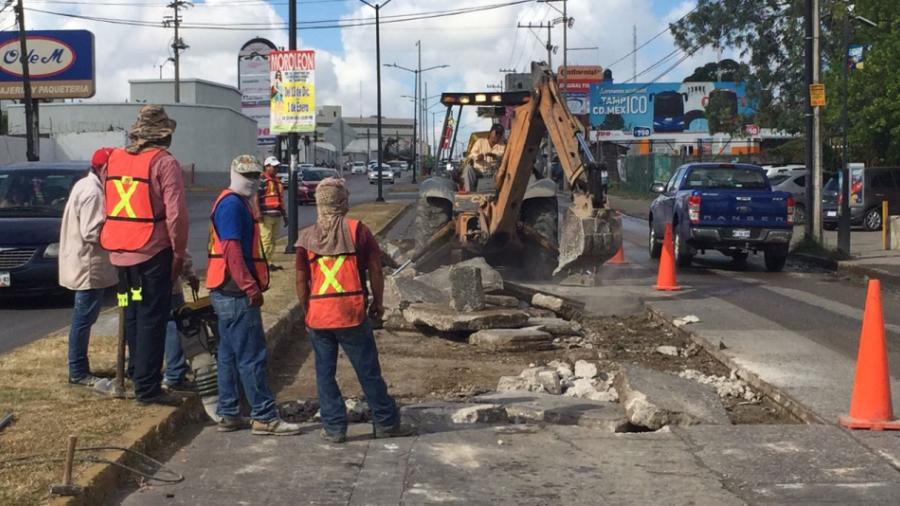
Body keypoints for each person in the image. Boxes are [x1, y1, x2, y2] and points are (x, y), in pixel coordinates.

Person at [295, 178, 414, 443]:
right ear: (342, 203)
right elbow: (374, 269)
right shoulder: (357, 230)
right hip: (350, 313)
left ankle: (335, 429)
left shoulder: (306, 237)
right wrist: (378, 303)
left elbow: (301, 281)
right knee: (368, 370)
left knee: (325, 375)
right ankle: (385, 422)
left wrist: (307, 311)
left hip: (319, 317)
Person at [100, 105, 188, 407]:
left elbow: (107, 202)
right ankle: (148, 388)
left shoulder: (113, 160)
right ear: (164, 136)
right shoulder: (164, 163)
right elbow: (175, 215)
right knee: (153, 316)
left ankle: (137, 373)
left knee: (132, 312)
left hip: (120, 255)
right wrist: (179, 253)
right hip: (152, 253)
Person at [207, 154, 301, 435]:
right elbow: (232, 251)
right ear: (235, 175)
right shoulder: (232, 206)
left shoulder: (233, 201)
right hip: (235, 291)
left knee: (229, 354)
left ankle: (229, 412)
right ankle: (264, 416)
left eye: (256, 176)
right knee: (251, 355)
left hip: (225, 289)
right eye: (248, 176)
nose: (253, 181)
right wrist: (249, 287)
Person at [59, 148, 118, 387]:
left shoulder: (86, 185)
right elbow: (92, 231)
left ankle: (78, 368)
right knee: (83, 318)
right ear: (103, 169)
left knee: (85, 317)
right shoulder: (93, 192)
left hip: (86, 262)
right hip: (89, 264)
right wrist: (118, 234)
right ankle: (78, 370)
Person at [162, 251, 200, 391]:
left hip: (139, 286)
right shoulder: (166, 228)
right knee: (175, 327)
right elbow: (179, 250)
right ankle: (174, 374)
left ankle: (141, 371)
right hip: (168, 285)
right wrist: (190, 274)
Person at [258, 156, 287, 271]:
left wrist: (285, 216)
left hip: (277, 215)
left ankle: (269, 262)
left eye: (277, 167)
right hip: (266, 215)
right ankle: (262, 263)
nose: (276, 169)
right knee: (266, 239)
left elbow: (281, 200)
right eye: (273, 167)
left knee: (273, 240)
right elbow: (256, 196)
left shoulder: (277, 181)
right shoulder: (262, 179)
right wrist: (258, 212)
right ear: (267, 166)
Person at [462, 123, 506, 192]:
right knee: (468, 169)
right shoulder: (480, 142)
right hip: (479, 171)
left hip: (493, 172)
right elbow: (471, 154)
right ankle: (469, 193)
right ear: (491, 132)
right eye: (496, 133)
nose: (497, 136)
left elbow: (503, 157)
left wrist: (495, 156)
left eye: (499, 134)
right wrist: (477, 157)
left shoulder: (502, 145)